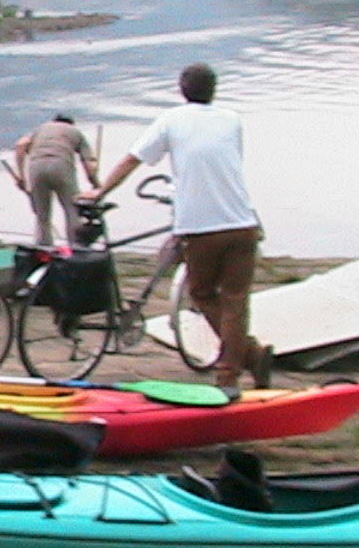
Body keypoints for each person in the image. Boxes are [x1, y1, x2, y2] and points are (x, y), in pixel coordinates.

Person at [81, 62, 272, 392]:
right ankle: (244, 361)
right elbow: (221, 163)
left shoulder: (171, 120)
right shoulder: (231, 120)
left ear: (182, 89)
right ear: (214, 89)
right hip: (243, 221)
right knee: (237, 300)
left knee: (201, 293)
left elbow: (132, 160)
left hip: (201, 226)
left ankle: (236, 369)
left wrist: (101, 191)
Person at [13, 112, 100, 245]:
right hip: (61, 167)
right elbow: (89, 165)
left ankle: (44, 249)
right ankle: (76, 247)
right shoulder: (76, 132)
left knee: (42, 215)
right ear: (71, 123)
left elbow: (20, 145)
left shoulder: (41, 128)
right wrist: (96, 185)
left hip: (36, 168)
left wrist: (21, 176)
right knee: (72, 211)